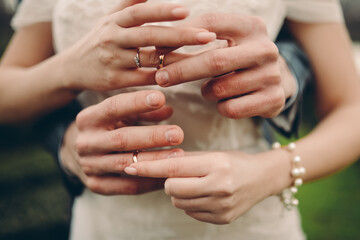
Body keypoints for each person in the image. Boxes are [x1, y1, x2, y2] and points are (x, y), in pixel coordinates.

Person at [1, 0, 360, 240]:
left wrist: (272, 171)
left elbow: (351, 108)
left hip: (248, 223)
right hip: (104, 223)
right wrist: (68, 82)